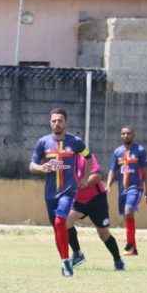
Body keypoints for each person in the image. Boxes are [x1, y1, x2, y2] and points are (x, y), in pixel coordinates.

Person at [29, 107, 92, 277]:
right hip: (50, 194)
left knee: (59, 222)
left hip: (68, 191)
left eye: (60, 120)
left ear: (66, 122)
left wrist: (85, 178)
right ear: (50, 123)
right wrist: (42, 167)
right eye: (54, 121)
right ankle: (67, 260)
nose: (57, 123)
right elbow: (32, 165)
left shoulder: (76, 142)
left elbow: (89, 157)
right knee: (57, 229)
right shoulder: (43, 142)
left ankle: (67, 263)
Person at [66, 152, 125, 271]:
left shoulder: (87, 157)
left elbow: (97, 176)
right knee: (65, 222)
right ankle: (77, 254)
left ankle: (118, 260)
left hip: (96, 200)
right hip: (79, 201)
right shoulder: (63, 161)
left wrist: (83, 184)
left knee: (103, 234)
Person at [106, 126, 147, 256]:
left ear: (133, 135)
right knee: (127, 215)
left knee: (128, 211)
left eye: (128, 133)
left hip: (136, 187)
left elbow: (146, 173)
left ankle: (130, 245)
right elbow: (112, 170)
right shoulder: (117, 152)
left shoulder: (140, 151)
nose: (126, 136)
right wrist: (108, 184)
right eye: (123, 134)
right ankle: (133, 248)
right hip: (122, 190)